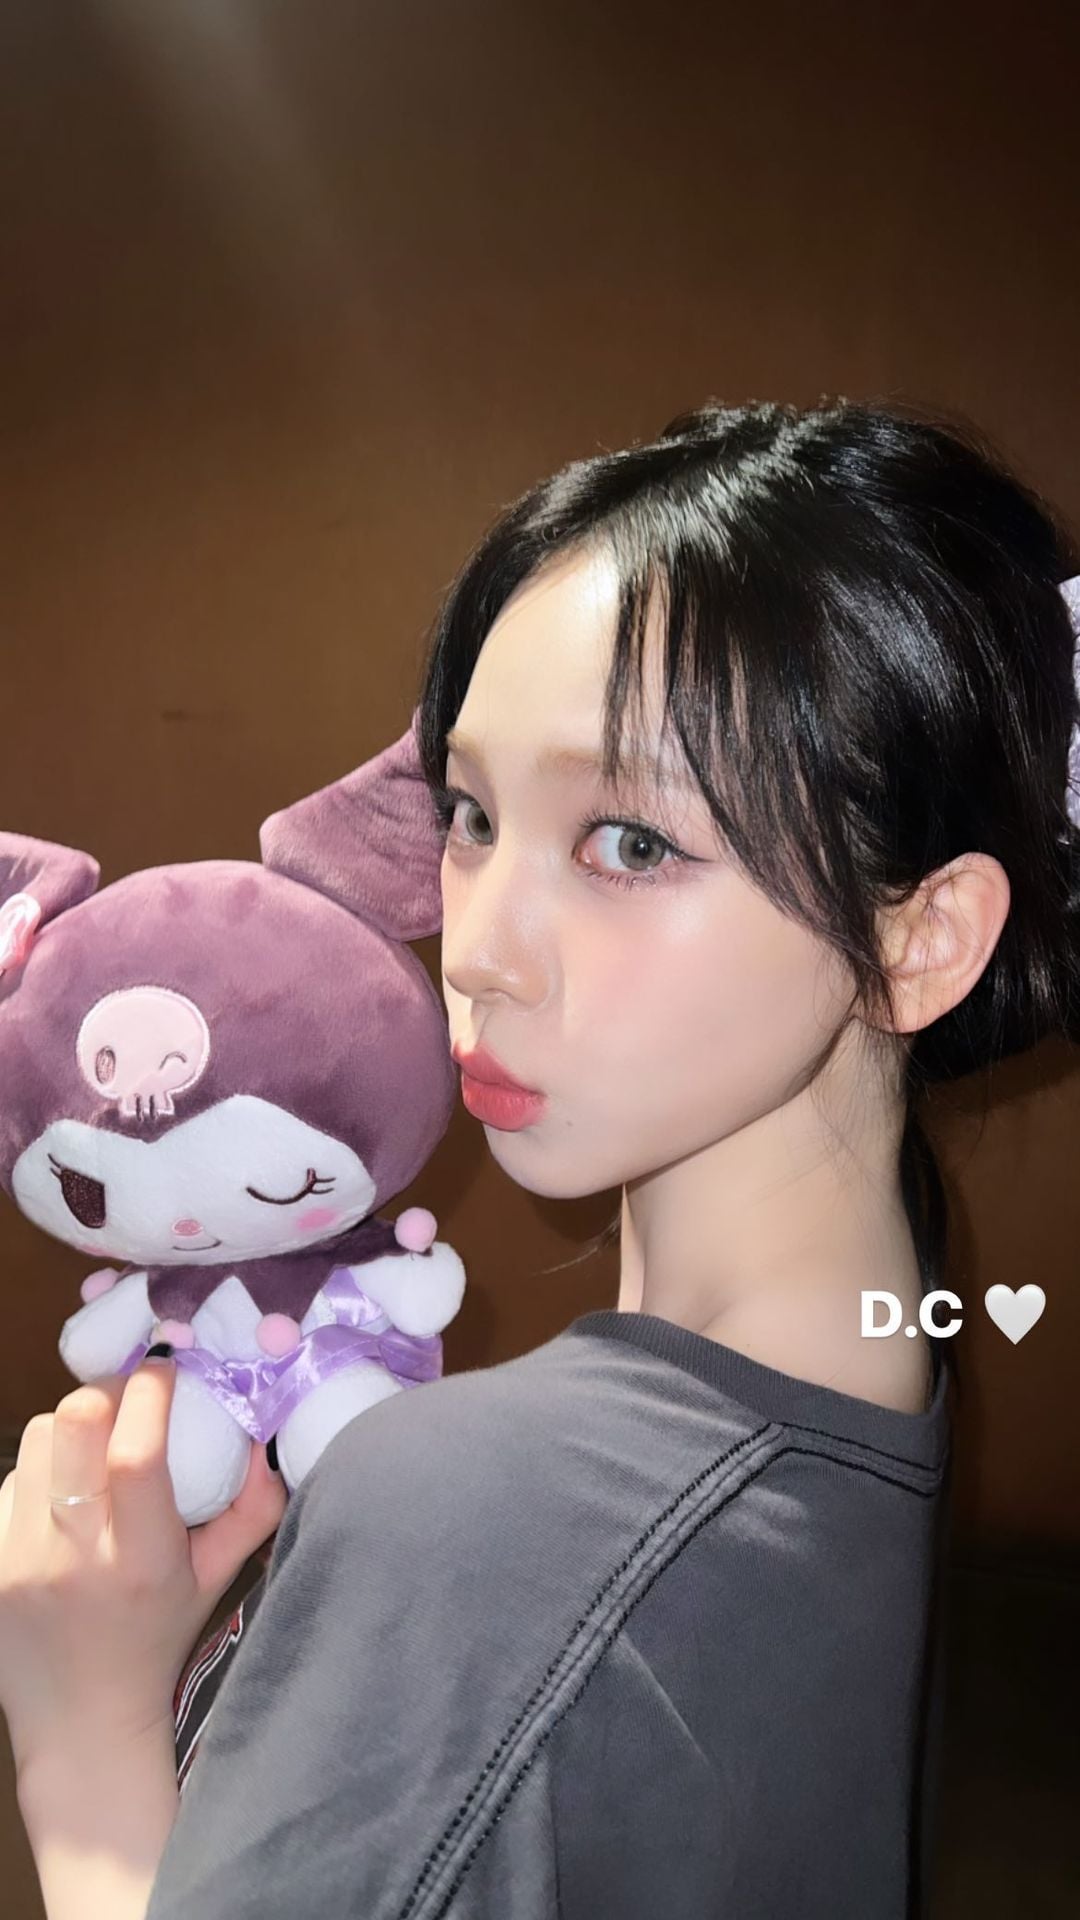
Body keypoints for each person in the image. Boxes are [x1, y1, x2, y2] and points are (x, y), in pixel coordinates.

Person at [2, 398, 1078, 1920]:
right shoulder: (886, 1342)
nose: (477, 952)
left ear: (921, 940)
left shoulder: (466, 1509)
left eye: (631, 843)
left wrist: (83, 1730)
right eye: (471, 814)